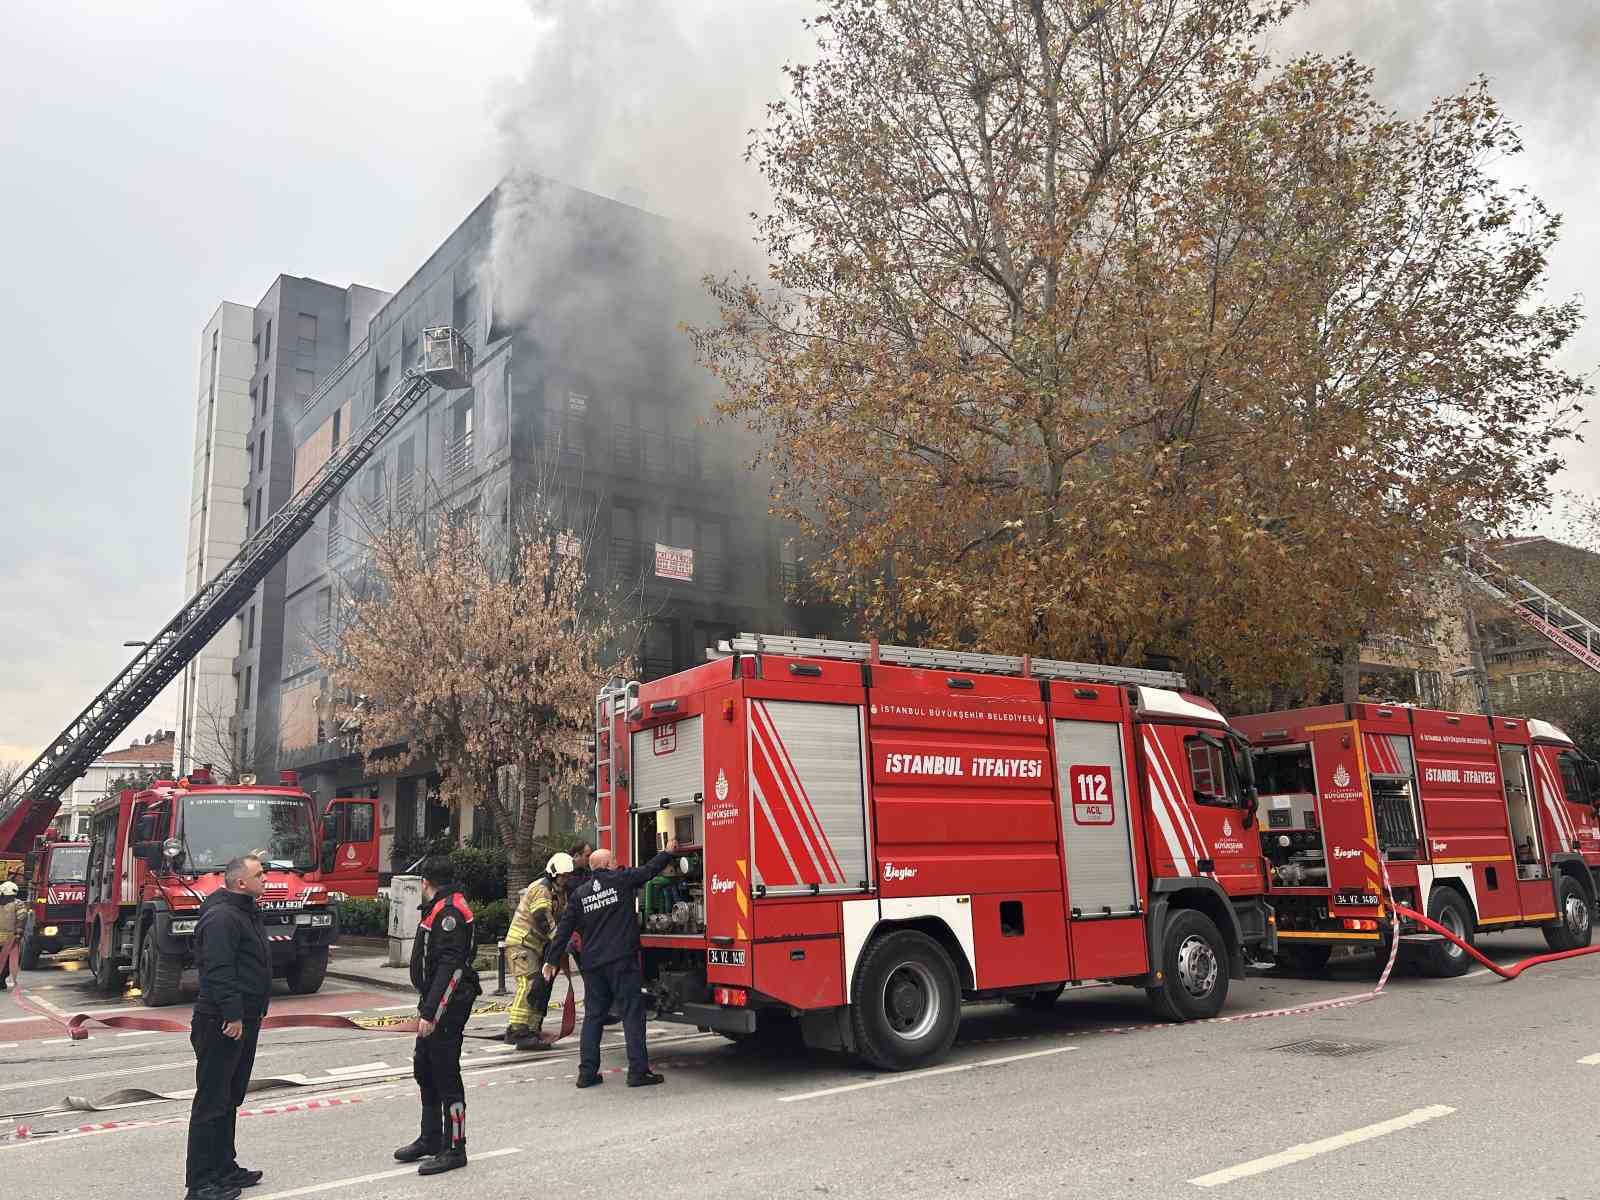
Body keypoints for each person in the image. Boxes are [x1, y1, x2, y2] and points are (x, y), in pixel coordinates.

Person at [543, 841, 676, 1089]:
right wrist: (667, 852)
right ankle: (638, 1072)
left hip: (593, 965)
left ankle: (587, 1073)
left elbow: (564, 929)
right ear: (605, 865)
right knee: (632, 1014)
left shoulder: (580, 894)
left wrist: (552, 960)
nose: (617, 862)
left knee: (594, 1017)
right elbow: (649, 871)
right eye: (613, 859)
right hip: (621, 961)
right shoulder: (621, 880)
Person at [185, 854, 271, 1200]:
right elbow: (218, 970)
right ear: (241, 883)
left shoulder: (244, 911)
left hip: (245, 1018)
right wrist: (233, 1014)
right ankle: (201, 1181)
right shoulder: (222, 916)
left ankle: (224, 1167)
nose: (265, 880)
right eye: (260, 875)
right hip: (221, 1021)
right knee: (212, 1100)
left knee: (229, 1097)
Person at [394, 857, 481, 1176]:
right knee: (425, 1068)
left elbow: (451, 967)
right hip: (435, 1000)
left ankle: (455, 1147)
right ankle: (430, 1138)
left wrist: (431, 1013)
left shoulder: (449, 913)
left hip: (448, 1003)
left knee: (446, 1074)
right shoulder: (443, 906)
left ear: (425, 883)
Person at [503, 852, 576, 1049]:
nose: (567, 879)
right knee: (528, 984)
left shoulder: (559, 892)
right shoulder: (541, 889)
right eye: (564, 876)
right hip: (522, 944)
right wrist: (559, 940)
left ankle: (532, 1030)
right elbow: (542, 918)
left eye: (569, 875)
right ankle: (517, 1030)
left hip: (536, 946)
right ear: (553, 873)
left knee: (540, 988)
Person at [0, 880, 23, 991]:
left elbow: (21, 918)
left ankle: (1, 980)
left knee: (7, 962)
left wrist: (18, 933)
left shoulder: (17, 904)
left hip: (9, 939)